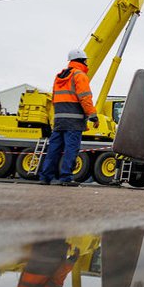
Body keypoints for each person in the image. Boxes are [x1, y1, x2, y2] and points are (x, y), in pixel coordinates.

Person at [38, 49, 99, 186]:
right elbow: (85, 98)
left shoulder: (59, 76)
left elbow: (54, 99)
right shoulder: (79, 75)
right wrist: (93, 116)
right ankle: (65, 178)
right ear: (83, 61)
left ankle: (45, 177)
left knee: (53, 149)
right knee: (71, 149)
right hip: (74, 121)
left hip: (59, 120)